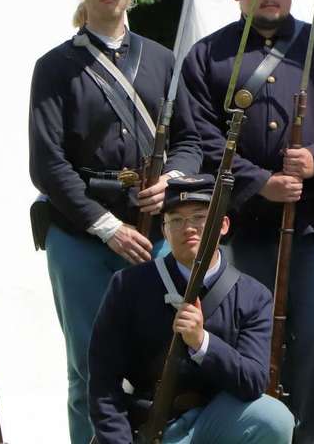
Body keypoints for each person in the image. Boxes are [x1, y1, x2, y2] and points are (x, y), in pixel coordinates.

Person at [166, 0, 314, 444]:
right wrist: (261, 184)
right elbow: (199, 136)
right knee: (254, 345)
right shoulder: (206, 56)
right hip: (250, 227)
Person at [29, 0, 192, 443]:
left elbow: (192, 141)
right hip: (80, 233)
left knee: (163, 363)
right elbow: (47, 164)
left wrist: (172, 181)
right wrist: (105, 226)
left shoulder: (164, 61)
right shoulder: (55, 67)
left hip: (154, 233)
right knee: (88, 368)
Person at [87, 174, 295, 443]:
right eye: (177, 220)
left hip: (218, 422)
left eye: (199, 217)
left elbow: (254, 381)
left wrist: (202, 343)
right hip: (152, 424)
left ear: (222, 225)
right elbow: (104, 380)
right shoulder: (128, 285)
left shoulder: (253, 295)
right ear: (164, 230)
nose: (189, 228)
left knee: (274, 418)